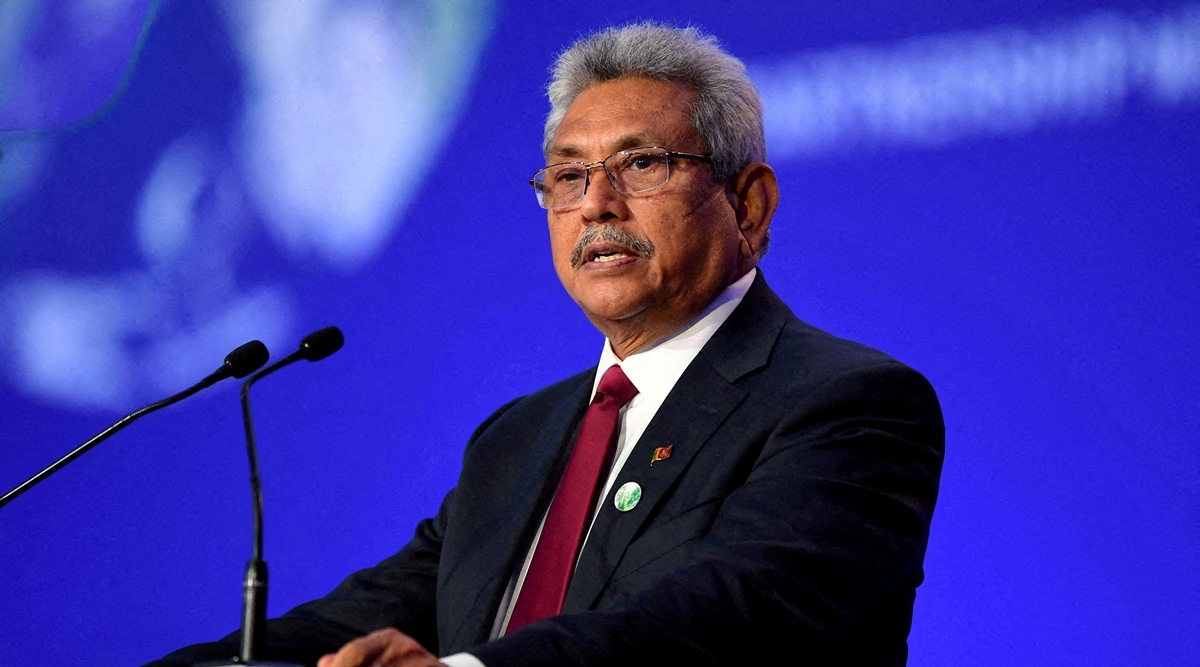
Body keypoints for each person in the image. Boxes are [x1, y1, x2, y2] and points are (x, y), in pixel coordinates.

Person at [148, 22, 943, 667]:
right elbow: (355, 618)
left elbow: (716, 621)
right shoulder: (518, 437)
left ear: (750, 204)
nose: (597, 201)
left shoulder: (849, 404)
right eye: (567, 176)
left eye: (641, 163)